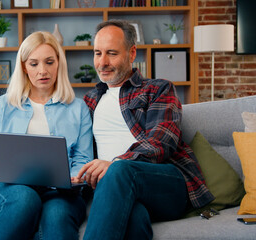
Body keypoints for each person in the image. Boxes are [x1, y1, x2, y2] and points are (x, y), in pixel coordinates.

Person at [75, 20, 214, 240]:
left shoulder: (158, 89)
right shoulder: (89, 101)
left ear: (132, 53)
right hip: (115, 190)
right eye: (97, 53)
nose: (102, 62)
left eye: (111, 53)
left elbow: (161, 143)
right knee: (134, 216)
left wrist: (117, 162)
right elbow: (78, 149)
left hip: (165, 183)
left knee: (120, 171)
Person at [0, 31, 93, 240]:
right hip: (9, 189)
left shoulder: (78, 108)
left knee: (57, 215)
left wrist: (75, 176)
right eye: (34, 64)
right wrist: (14, 174)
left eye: (49, 62)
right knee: (25, 199)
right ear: (23, 66)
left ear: (59, 63)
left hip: (60, 193)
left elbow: (83, 159)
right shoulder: (3, 105)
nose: (43, 71)